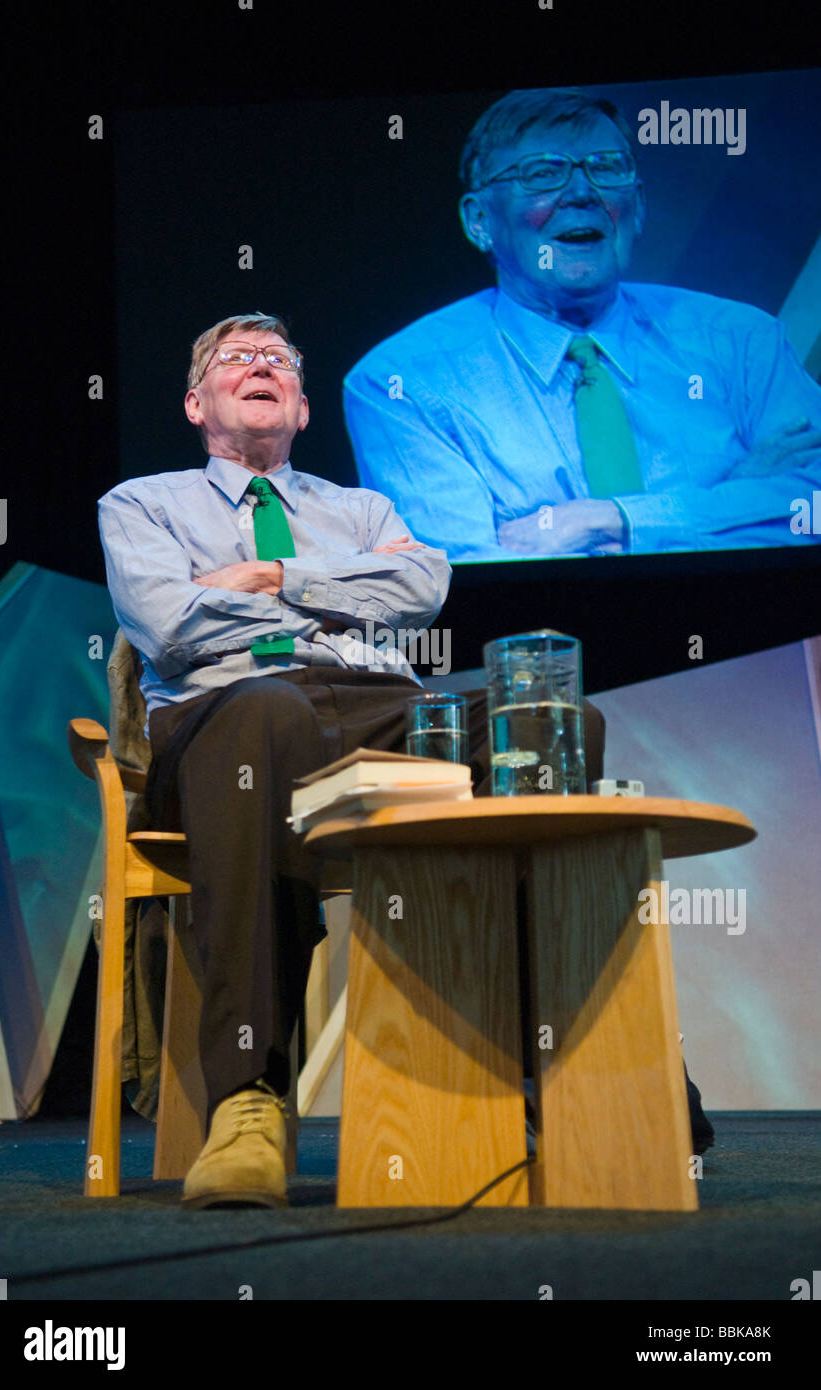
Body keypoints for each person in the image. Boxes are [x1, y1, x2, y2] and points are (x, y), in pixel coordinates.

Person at [97, 311, 610, 1208]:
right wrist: (342, 593)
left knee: (546, 719)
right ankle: (249, 1104)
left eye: (280, 362)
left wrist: (269, 577)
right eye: (235, 359)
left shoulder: (360, 507)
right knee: (268, 711)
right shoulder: (141, 503)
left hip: (376, 705)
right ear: (195, 403)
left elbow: (422, 589)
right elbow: (170, 623)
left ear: (299, 408)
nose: (260, 367)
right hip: (228, 715)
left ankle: (557, 1070)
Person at [343, 88, 821, 561]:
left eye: (606, 167)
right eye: (543, 173)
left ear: (639, 207)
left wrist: (610, 520)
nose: (581, 193)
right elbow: (462, 575)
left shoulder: (742, 340)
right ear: (480, 220)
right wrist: (735, 497)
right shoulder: (400, 382)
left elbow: (813, 510)